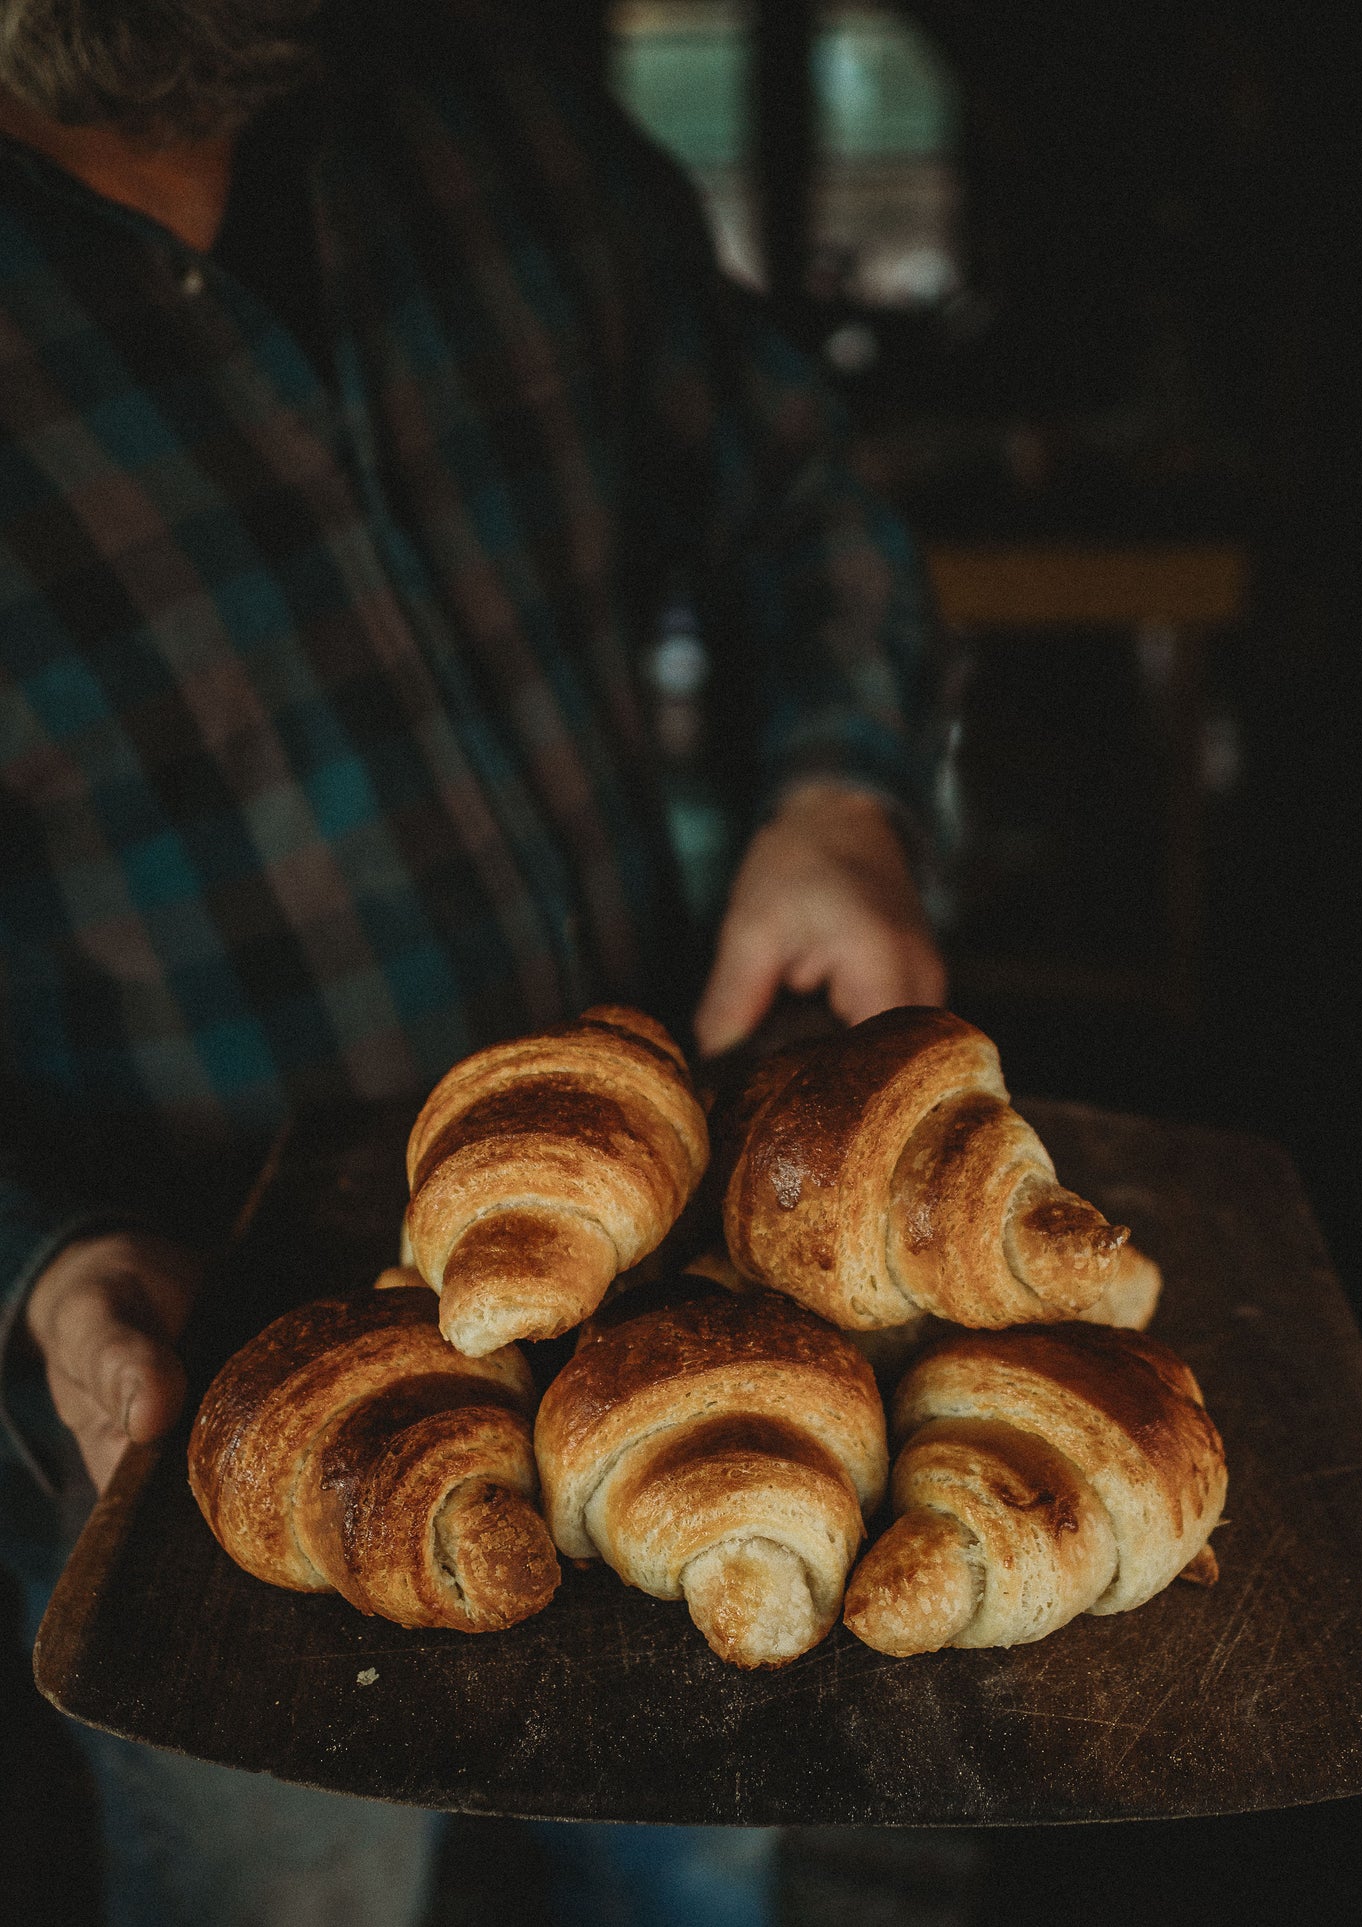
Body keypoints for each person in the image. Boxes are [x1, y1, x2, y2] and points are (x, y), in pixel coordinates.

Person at [0, 3, 948, 1922]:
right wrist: (39, 1266)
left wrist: (836, 790)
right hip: (214, 1421)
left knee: (684, 1879)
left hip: (695, 1332)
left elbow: (791, 485)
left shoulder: (488, 128)